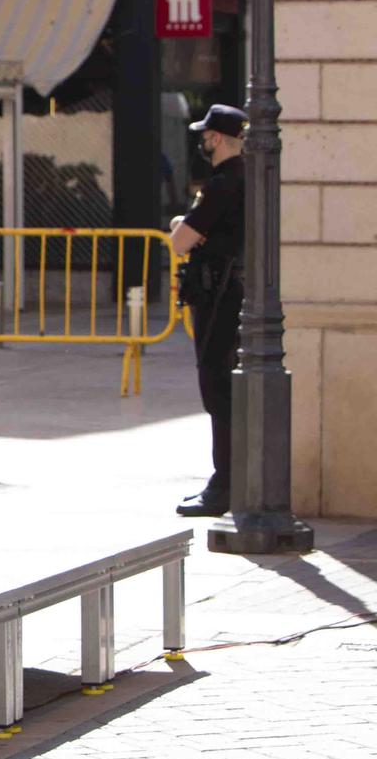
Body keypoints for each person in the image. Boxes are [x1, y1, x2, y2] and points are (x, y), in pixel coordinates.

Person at [171, 104, 245, 518]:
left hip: (218, 295)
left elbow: (181, 241)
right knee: (225, 387)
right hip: (232, 292)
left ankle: (225, 484)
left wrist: (183, 228)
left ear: (216, 138)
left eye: (205, 134)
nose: (201, 140)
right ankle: (229, 480)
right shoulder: (250, 177)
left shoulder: (221, 183)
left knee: (216, 385)